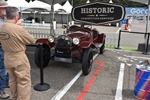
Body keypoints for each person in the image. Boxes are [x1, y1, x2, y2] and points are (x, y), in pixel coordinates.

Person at [0, 7, 34, 100]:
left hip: (7, 56)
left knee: (13, 80)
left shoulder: (2, 26)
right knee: (23, 81)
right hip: (18, 57)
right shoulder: (17, 28)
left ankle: (15, 97)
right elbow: (31, 39)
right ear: (16, 16)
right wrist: (18, 26)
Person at [0, 0, 10, 99]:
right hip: (1, 47)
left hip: (5, 47)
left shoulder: (4, 19)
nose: (5, 9)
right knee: (2, 69)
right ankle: (1, 91)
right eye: (3, 8)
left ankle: (6, 83)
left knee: (6, 67)